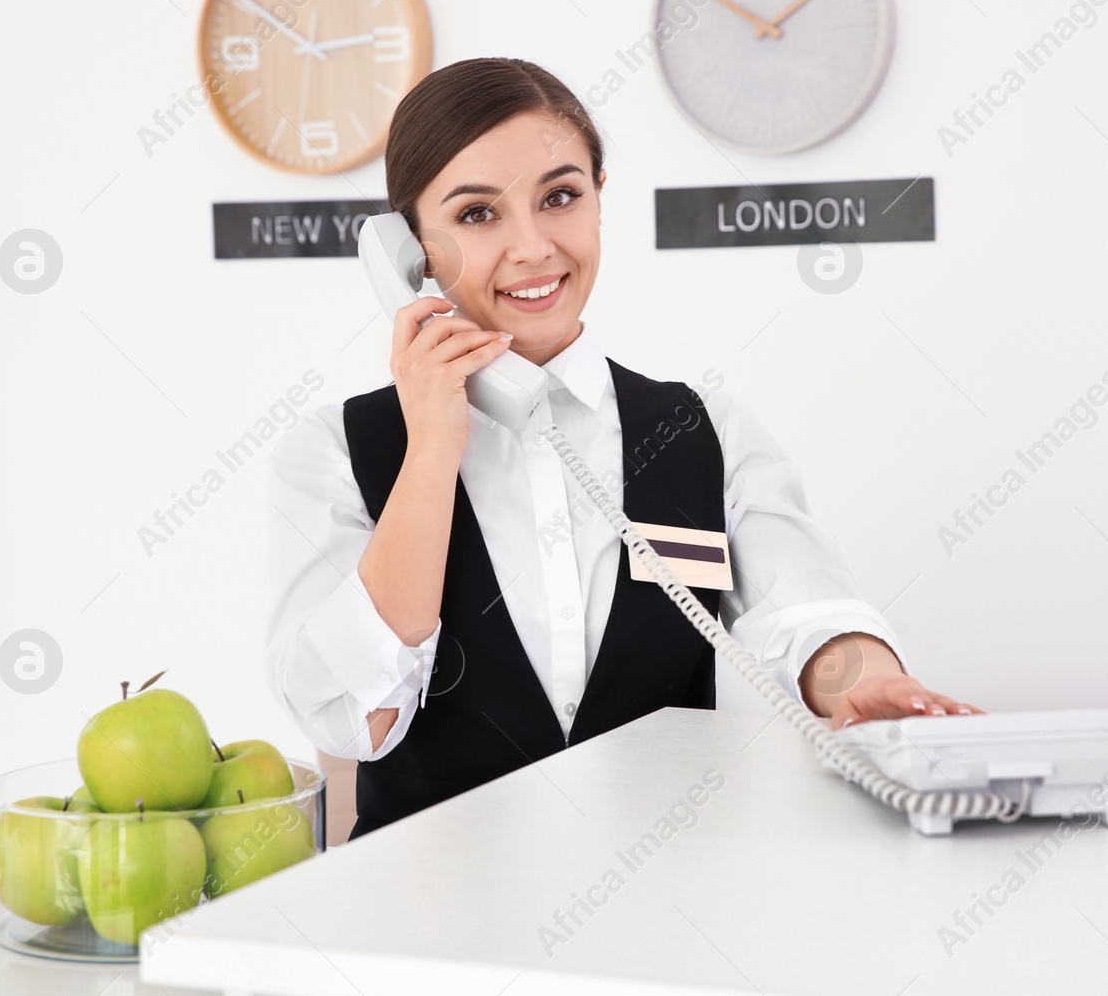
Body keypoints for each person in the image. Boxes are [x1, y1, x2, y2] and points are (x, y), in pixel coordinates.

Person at [264, 57, 981, 840]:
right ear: (411, 248)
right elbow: (349, 721)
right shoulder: (336, 451)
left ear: (600, 196)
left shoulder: (705, 428)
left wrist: (865, 686)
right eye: (477, 215)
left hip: (663, 908)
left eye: (560, 197)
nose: (533, 247)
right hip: (432, 924)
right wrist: (432, 450)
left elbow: (805, 608)